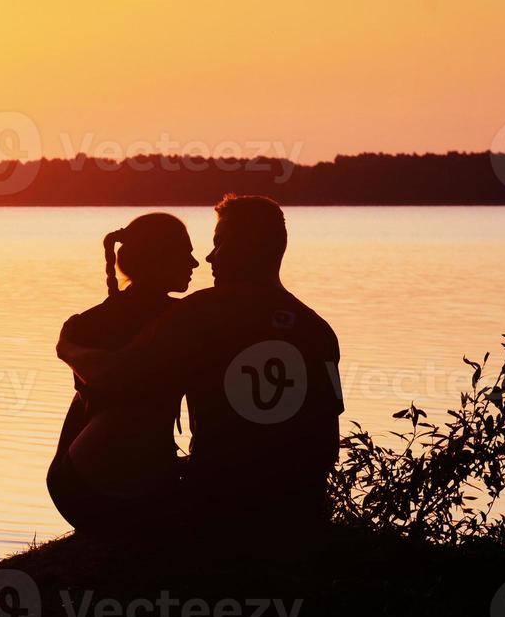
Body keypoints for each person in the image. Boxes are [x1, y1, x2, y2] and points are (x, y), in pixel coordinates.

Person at [60, 195, 344, 538]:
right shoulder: (317, 329)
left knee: (109, 394)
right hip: (295, 506)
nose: (209, 257)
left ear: (249, 248)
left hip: (217, 505)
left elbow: (114, 376)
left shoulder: (200, 312)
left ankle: (83, 488)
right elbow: (327, 443)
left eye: (219, 243)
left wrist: (69, 349)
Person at [46, 213, 199, 533]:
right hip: (121, 491)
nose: (195, 263)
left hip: (69, 481)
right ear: (159, 259)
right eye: (185, 253)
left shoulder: (82, 324)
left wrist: (67, 349)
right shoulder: (186, 320)